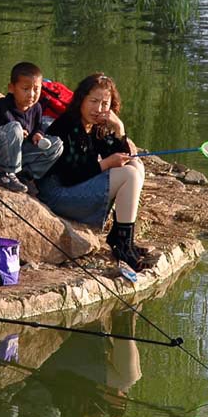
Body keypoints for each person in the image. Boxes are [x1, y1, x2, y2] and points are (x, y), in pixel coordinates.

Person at [37, 73, 146, 270]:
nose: (99, 109)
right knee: (129, 175)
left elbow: (122, 156)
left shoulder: (96, 126)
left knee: (135, 166)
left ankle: (123, 238)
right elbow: (69, 176)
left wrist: (119, 129)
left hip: (76, 186)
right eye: (93, 101)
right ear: (81, 100)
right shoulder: (68, 125)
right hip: (58, 193)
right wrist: (105, 164)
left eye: (105, 103)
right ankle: (121, 243)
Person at [0, 62, 63, 193]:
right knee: (14, 128)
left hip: (17, 156)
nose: (31, 94)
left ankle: (24, 175)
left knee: (57, 145)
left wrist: (37, 134)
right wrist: (12, 132)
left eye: (36, 89)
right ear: (11, 88)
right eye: (25, 89)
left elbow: (38, 125)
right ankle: (4, 175)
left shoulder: (36, 108)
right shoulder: (1, 108)